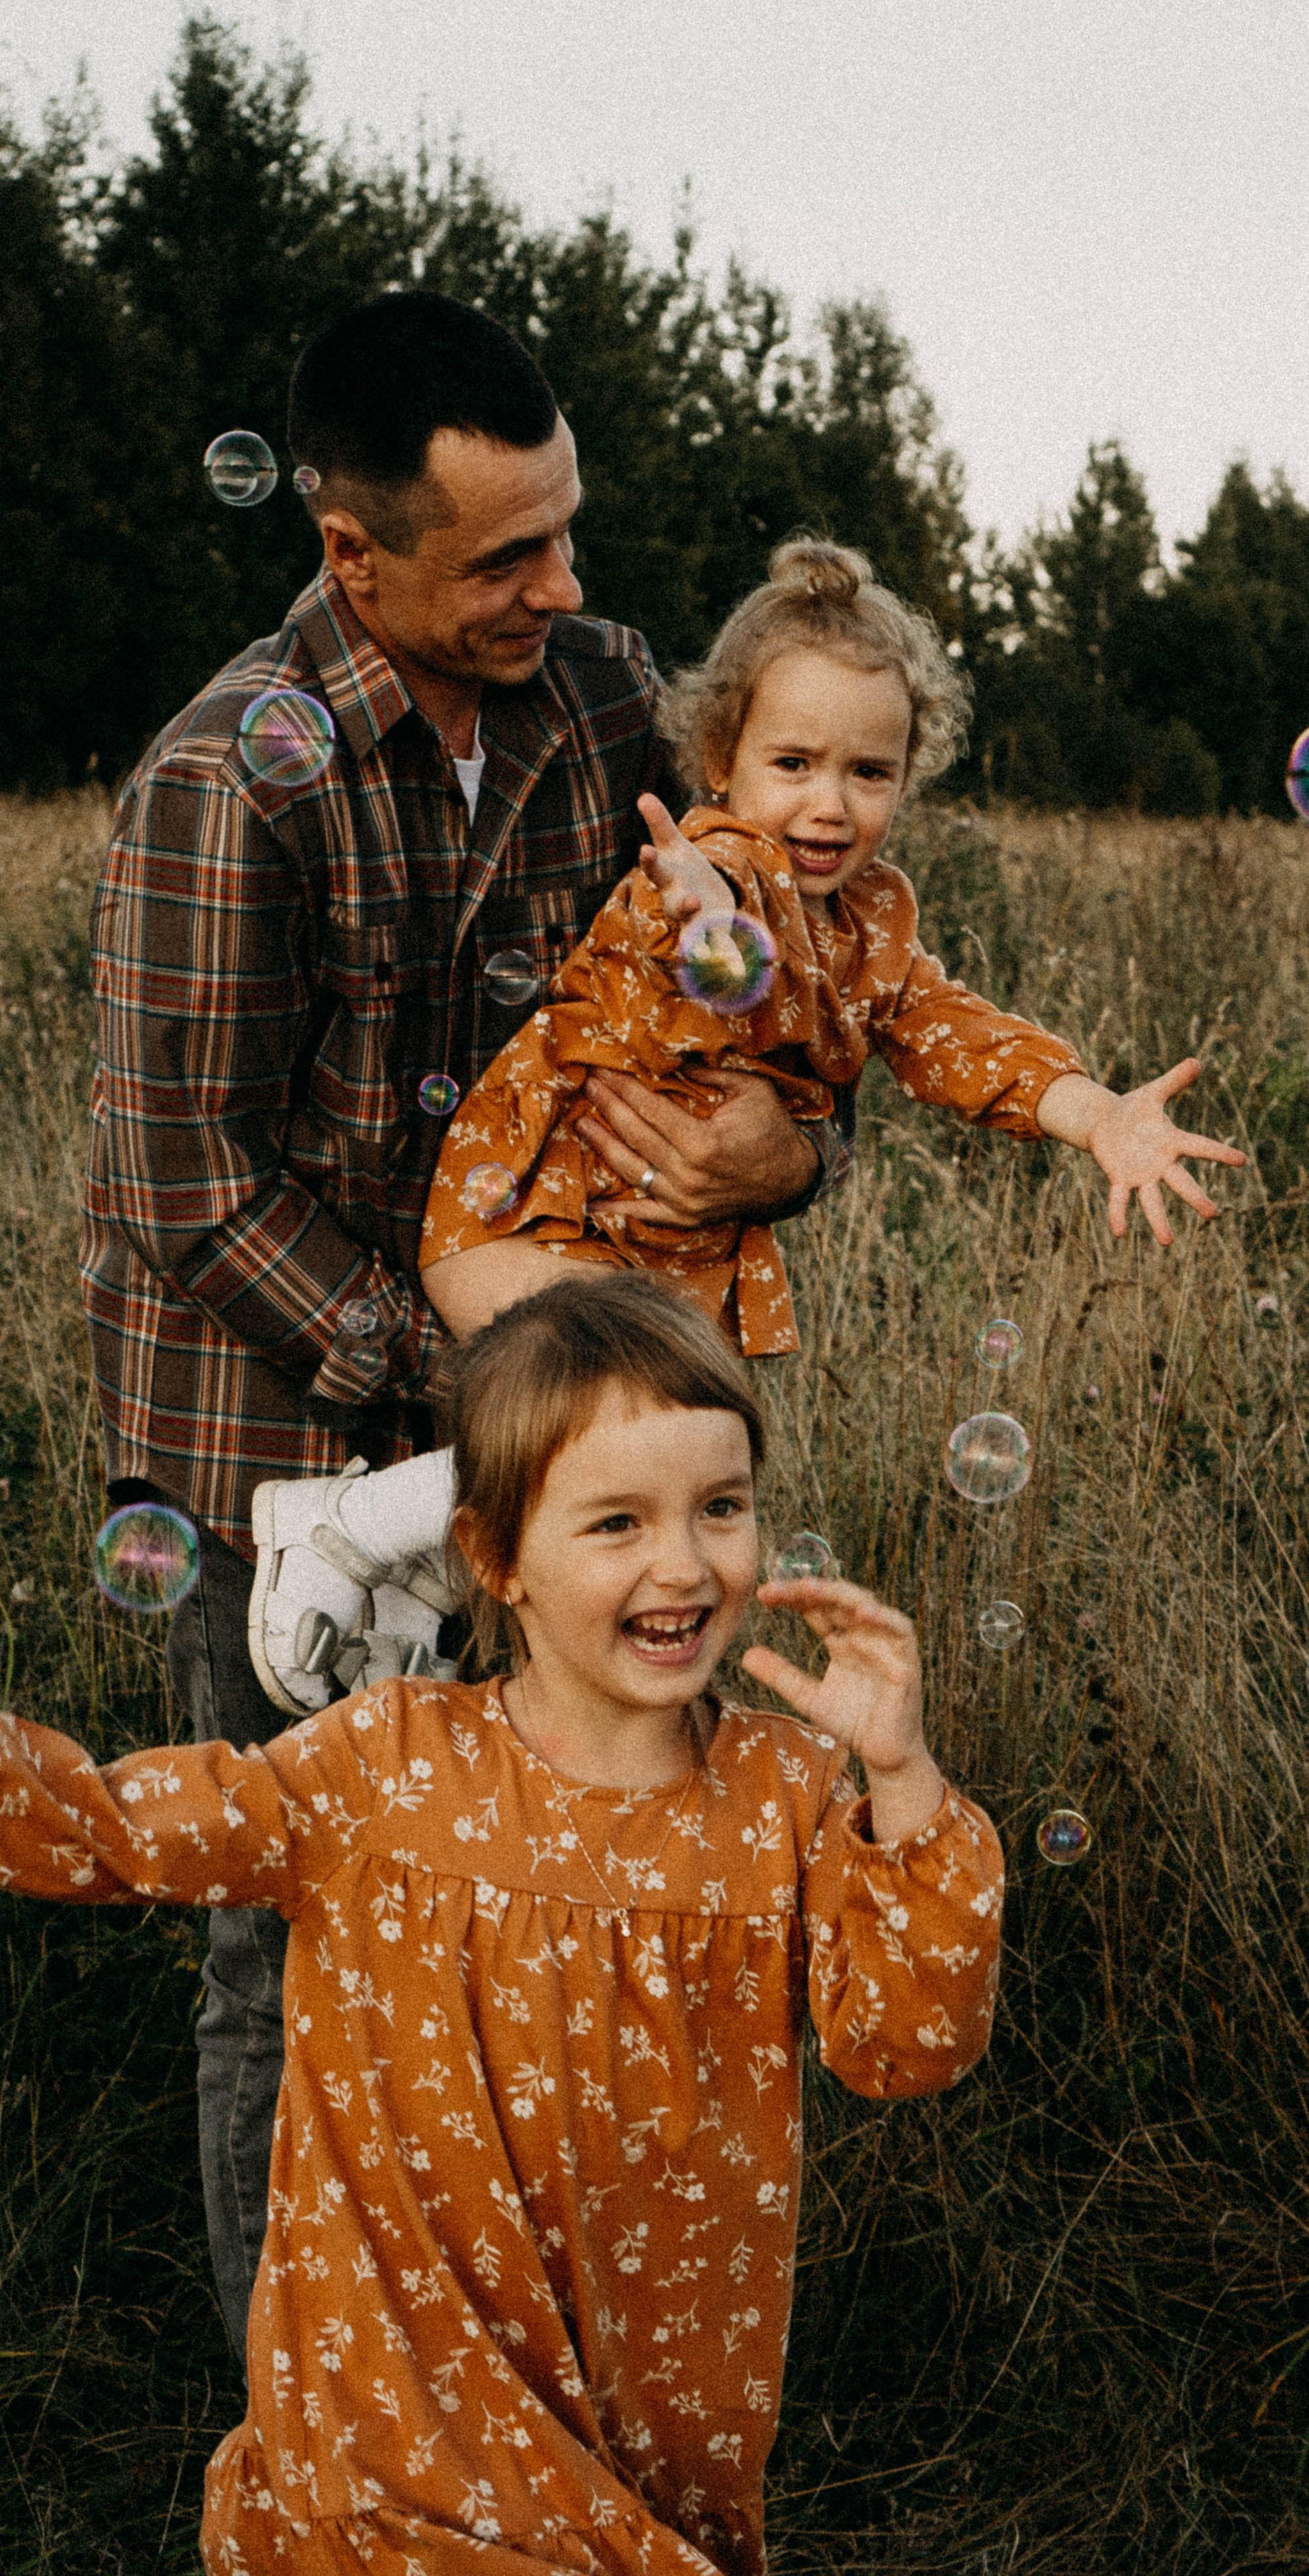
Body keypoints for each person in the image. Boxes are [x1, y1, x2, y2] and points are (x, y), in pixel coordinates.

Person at [82, 289, 843, 2360]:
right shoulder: (224, 788)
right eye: (507, 554)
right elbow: (180, 1184)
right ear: (354, 554)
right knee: (292, 1951)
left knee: (542, 1915)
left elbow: (763, 1001)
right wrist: (508, 1379)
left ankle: (512, 2391)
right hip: (277, 1456)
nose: (568, 588)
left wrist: (780, 1147)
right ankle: (305, 2437)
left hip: (548, 1447)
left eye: (568, 532)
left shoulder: (604, 705)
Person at [4, 1269, 1003, 2572]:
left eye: (720, 1508)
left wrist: (901, 1776)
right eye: (616, 1524)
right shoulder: (384, 1766)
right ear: (494, 1558)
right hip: (374, 2453)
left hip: (637, 2455)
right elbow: (114, 1826)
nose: (683, 1562)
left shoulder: (787, 1798)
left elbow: (907, 2040)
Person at [245, 539, 1245, 1713]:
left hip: (635, 1256)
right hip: (515, 1215)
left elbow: (959, 1039)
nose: (828, 802)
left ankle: (418, 1571)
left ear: (908, 778)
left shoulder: (874, 924)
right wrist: (709, 909)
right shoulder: (723, 862)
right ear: (722, 761)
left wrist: (1098, 1120)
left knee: (630, 1448)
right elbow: (725, 949)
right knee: (623, 1433)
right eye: (793, 762)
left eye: (870, 771)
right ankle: (345, 1525)